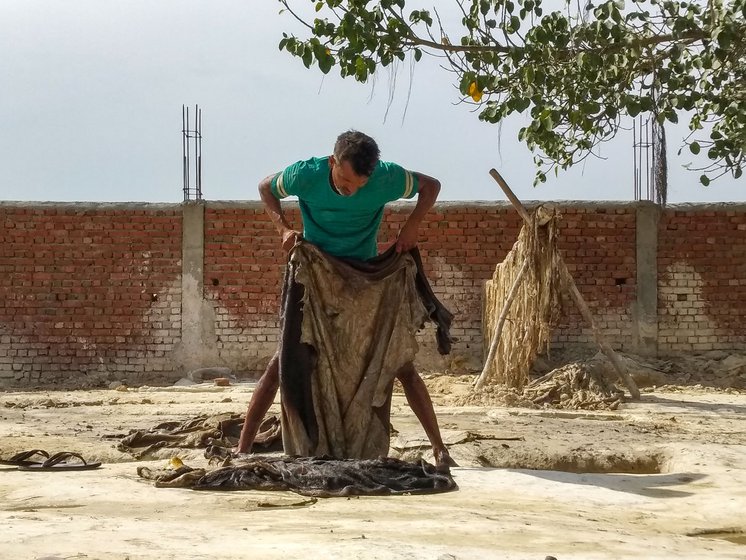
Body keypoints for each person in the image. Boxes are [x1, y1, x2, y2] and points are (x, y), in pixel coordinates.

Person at [237, 130, 456, 468]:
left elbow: (431, 186)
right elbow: (266, 187)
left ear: (372, 175)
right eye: (343, 180)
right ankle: (242, 449)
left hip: (365, 276)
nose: (348, 189)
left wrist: (411, 226)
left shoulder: (386, 177)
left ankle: (440, 448)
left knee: (398, 361)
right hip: (316, 272)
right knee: (284, 361)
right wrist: (282, 229)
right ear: (332, 162)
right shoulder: (306, 174)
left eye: (357, 185)